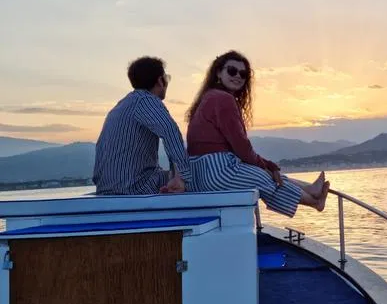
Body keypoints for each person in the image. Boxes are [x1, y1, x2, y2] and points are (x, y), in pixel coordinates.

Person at [186, 50, 329, 217]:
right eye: (232, 71)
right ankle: (315, 202)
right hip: (217, 171)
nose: (238, 76)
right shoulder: (223, 99)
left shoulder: (208, 97)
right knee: (264, 178)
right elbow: (241, 146)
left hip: (198, 172)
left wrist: (264, 165)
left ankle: (310, 190)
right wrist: (265, 165)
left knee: (264, 172)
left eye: (243, 73)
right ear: (218, 72)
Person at [94, 56, 192, 195]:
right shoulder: (145, 100)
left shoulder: (122, 105)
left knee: (174, 175)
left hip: (107, 189)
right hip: (133, 187)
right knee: (199, 172)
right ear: (160, 80)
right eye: (166, 78)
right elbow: (170, 132)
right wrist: (182, 176)